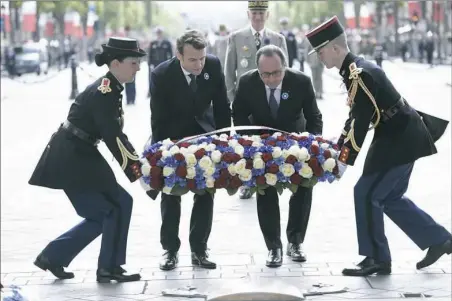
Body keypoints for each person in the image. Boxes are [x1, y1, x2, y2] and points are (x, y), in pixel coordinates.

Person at [305, 16, 452, 277]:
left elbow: (360, 122)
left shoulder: (359, 74)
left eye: (320, 50)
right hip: (399, 134)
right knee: (387, 196)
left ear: (335, 48)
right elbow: (355, 118)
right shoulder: (353, 71)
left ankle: (377, 258)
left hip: (399, 138)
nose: (318, 56)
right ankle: (438, 239)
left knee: (367, 193)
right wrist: (336, 148)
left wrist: (342, 162)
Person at [28, 37, 146, 283]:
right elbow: (113, 136)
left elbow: (113, 133)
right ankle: (106, 268)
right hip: (71, 158)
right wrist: (139, 170)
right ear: (115, 63)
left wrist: (139, 167)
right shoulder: (104, 91)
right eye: (134, 62)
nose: (138, 67)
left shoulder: (111, 87)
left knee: (119, 203)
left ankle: (58, 257)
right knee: (107, 210)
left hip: (82, 154)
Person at [232, 45, 323, 267]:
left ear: (285, 67)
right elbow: (239, 115)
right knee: (265, 192)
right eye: (265, 74)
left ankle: (296, 242)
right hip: (261, 145)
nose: (271, 79)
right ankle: (274, 247)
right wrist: (253, 145)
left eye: (276, 73)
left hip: (295, 142)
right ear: (258, 70)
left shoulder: (301, 82)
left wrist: (309, 145)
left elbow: (314, 117)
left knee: (303, 188)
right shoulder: (247, 82)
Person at [149, 30, 231, 271]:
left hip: (206, 136)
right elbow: (158, 117)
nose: (199, 65)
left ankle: (199, 249)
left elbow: (222, 106)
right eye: (193, 60)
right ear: (179, 55)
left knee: (206, 192)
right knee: (171, 194)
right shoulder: (161, 74)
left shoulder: (213, 66)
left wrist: (225, 143)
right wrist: (161, 154)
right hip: (173, 138)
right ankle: (170, 250)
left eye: (202, 58)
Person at [224, 0, 288, 200]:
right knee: (246, 144)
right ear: (248, 14)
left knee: (271, 141)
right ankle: (247, 182)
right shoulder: (236, 38)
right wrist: (233, 100)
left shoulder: (278, 39)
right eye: (254, 13)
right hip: (247, 104)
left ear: (267, 15)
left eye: (261, 13)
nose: (258, 17)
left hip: (271, 100)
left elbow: (286, 71)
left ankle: (271, 176)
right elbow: (229, 73)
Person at [148, 27, 173, 97]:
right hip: (155, 64)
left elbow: (170, 55)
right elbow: (150, 55)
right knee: (153, 78)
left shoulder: (167, 43)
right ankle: (152, 91)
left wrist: (170, 64)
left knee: (164, 79)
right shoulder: (153, 43)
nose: (159, 34)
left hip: (163, 63)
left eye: (160, 32)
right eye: (158, 32)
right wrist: (150, 64)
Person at [124, 25, 137, 105]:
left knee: (132, 81)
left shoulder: (134, 40)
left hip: (132, 63)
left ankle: (132, 99)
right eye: (126, 30)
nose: (127, 32)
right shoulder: (123, 40)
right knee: (127, 81)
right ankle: (128, 99)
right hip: (125, 63)